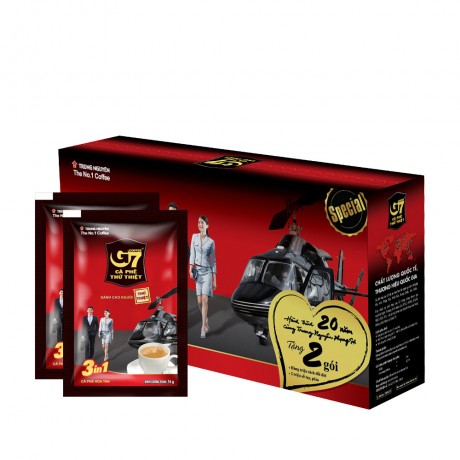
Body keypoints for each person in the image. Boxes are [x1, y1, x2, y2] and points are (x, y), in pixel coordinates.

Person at [189, 215, 216, 339]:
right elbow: (192, 254)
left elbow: (213, 261)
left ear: (207, 225)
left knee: (205, 300)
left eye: (202, 222)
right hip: (198, 273)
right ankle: (206, 319)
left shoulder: (211, 242)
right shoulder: (194, 237)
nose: (200, 224)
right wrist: (190, 268)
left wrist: (214, 279)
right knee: (199, 302)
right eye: (199, 222)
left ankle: (203, 327)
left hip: (207, 273)